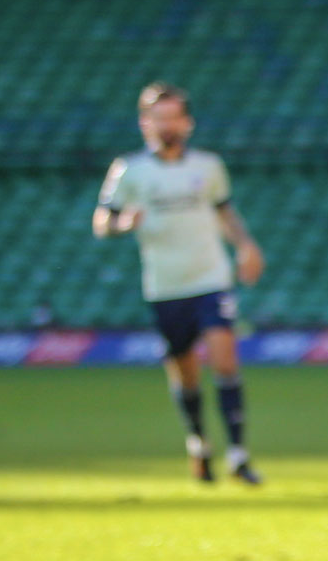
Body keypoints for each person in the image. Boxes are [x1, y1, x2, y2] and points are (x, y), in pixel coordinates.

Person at [95, 82, 266, 485]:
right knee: (185, 371)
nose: (166, 125)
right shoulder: (130, 170)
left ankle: (239, 454)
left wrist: (246, 245)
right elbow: (101, 222)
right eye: (159, 117)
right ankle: (199, 443)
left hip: (211, 277)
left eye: (173, 117)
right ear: (145, 123)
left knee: (224, 357)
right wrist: (121, 224)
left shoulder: (207, 167)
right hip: (165, 285)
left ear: (187, 123)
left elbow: (224, 210)